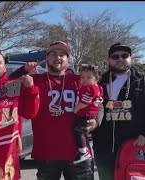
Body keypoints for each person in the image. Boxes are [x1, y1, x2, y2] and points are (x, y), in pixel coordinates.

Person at [18, 41, 103, 179]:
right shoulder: (34, 80)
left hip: (78, 152)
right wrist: (23, 71)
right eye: (53, 54)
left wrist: (96, 121)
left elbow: (99, 101)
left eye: (62, 54)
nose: (58, 57)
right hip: (47, 153)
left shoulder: (81, 80)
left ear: (67, 60)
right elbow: (26, 111)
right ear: (47, 58)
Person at [93, 43, 145, 179]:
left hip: (134, 146)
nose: (120, 59)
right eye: (115, 56)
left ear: (131, 58)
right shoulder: (99, 82)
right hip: (104, 148)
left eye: (124, 55)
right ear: (108, 60)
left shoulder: (142, 82)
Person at [73, 64, 103, 164]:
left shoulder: (89, 88)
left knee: (78, 131)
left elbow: (85, 102)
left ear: (96, 79)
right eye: (83, 77)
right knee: (81, 132)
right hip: (90, 114)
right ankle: (84, 150)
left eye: (89, 77)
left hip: (86, 114)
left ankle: (83, 152)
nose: (85, 79)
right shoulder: (97, 87)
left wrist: (76, 109)